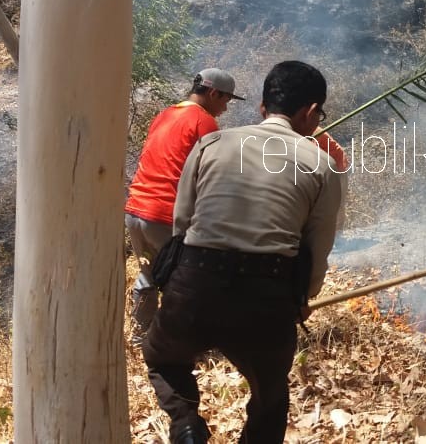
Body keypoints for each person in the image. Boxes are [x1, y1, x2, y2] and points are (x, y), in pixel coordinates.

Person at [143, 61, 345, 444]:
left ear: (262, 108)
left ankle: (186, 425)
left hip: (195, 282)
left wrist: (181, 283)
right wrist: (306, 297)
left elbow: (183, 224)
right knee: (270, 398)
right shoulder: (322, 164)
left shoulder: (213, 143)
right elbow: (318, 245)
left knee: (163, 358)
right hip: (266, 295)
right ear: (311, 113)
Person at [124, 68, 244, 340]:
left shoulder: (165, 115)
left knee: (149, 276)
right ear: (213, 93)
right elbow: (212, 176)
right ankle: (182, 342)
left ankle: (141, 337)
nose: (225, 108)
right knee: (187, 281)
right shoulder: (204, 122)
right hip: (167, 214)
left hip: (135, 210)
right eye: (225, 100)